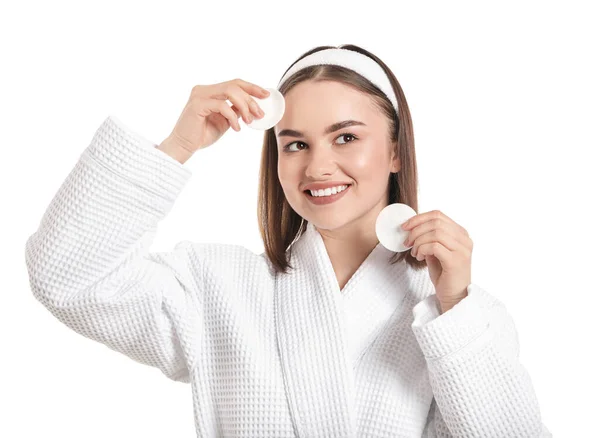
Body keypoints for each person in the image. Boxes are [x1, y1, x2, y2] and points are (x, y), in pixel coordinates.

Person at [24, 44, 552, 437]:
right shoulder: (217, 290)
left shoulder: (459, 317)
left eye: (346, 136)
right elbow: (68, 277)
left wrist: (454, 307)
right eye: (295, 143)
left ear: (395, 151)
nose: (318, 165)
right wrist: (179, 144)